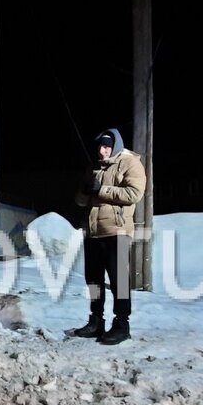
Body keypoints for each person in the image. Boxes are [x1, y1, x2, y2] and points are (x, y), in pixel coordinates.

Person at [72, 128, 147, 345]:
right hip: (93, 232)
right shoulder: (94, 167)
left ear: (115, 146)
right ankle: (96, 321)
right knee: (93, 280)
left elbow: (134, 194)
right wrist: (86, 190)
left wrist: (102, 189)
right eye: (100, 147)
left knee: (118, 281)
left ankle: (122, 324)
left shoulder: (130, 163)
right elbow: (79, 200)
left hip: (117, 231)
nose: (102, 151)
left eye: (106, 147)